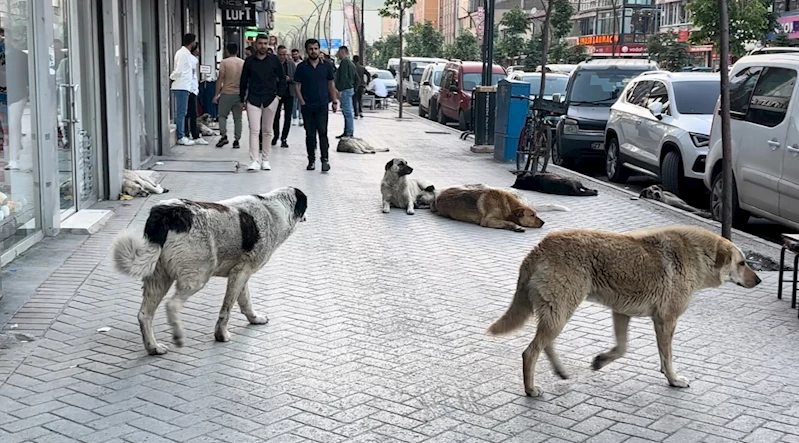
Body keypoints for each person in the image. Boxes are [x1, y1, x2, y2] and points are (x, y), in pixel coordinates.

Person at [239, 34, 285, 172]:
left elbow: (282, 78)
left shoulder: (274, 60)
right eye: (260, 43)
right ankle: (254, 160)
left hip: (270, 99)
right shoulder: (249, 61)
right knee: (254, 130)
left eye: (265, 43)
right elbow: (243, 80)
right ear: (255, 44)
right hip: (253, 99)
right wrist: (242, 99)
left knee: (267, 131)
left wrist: (278, 96)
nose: (263, 46)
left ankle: (265, 160)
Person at [294, 38, 338, 172]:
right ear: (307, 51)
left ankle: (325, 159)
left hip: (322, 104)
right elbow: (297, 86)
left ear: (319, 50)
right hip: (307, 105)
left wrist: (334, 101)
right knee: (310, 134)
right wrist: (302, 102)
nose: (313, 51)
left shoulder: (327, 66)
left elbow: (331, 84)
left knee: (323, 132)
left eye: (316, 48)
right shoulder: (301, 67)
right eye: (311, 49)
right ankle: (311, 160)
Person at [213, 42, 245, 149]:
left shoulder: (224, 62)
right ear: (237, 51)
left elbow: (220, 79)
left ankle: (224, 136)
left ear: (227, 51)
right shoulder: (242, 63)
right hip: (239, 94)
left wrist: (216, 95)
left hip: (226, 93)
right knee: (238, 118)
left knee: (222, 115)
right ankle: (237, 140)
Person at [170, 33, 198, 146]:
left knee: (183, 112)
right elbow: (179, 70)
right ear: (192, 42)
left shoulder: (185, 53)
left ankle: (182, 134)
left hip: (185, 86)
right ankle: (181, 136)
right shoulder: (183, 54)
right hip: (181, 86)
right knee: (181, 112)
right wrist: (171, 78)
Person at [271, 45, 296, 148]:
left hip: (289, 93)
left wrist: (289, 79)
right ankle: (276, 135)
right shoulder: (273, 64)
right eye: (280, 54)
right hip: (276, 93)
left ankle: (284, 138)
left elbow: (296, 79)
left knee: (288, 117)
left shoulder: (291, 65)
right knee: (275, 116)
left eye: (284, 54)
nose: (282, 57)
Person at [185, 45, 208, 145]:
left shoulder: (190, 59)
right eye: (197, 49)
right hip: (191, 89)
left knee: (188, 113)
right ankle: (194, 134)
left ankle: (187, 133)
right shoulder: (192, 60)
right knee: (192, 113)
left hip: (190, 88)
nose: (199, 51)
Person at [334, 46, 357, 138]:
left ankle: (349, 132)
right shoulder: (351, 63)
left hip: (345, 89)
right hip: (349, 88)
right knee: (347, 111)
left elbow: (343, 77)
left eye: (339, 52)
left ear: (343, 52)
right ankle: (347, 130)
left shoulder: (344, 63)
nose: (338, 54)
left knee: (347, 111)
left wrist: (339, 89)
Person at [353, 55, 369, 119]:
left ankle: (356, 114)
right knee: (360, 99)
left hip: (354, 85)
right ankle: (360, 112)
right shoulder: (362, 68)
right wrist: (367, 82)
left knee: (354, 99)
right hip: (361, 85)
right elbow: (368, 74)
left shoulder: (352, 67)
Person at [290, 49, 303, 126]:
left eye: (296, 54)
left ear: (298, 54)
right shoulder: (290, 63)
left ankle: (301, 118)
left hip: (302, 85)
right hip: (293, 85)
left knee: (301, 102)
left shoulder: (302, 63)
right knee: (294, 103)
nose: (294, 55)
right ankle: (294, 118)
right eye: (293, 54)